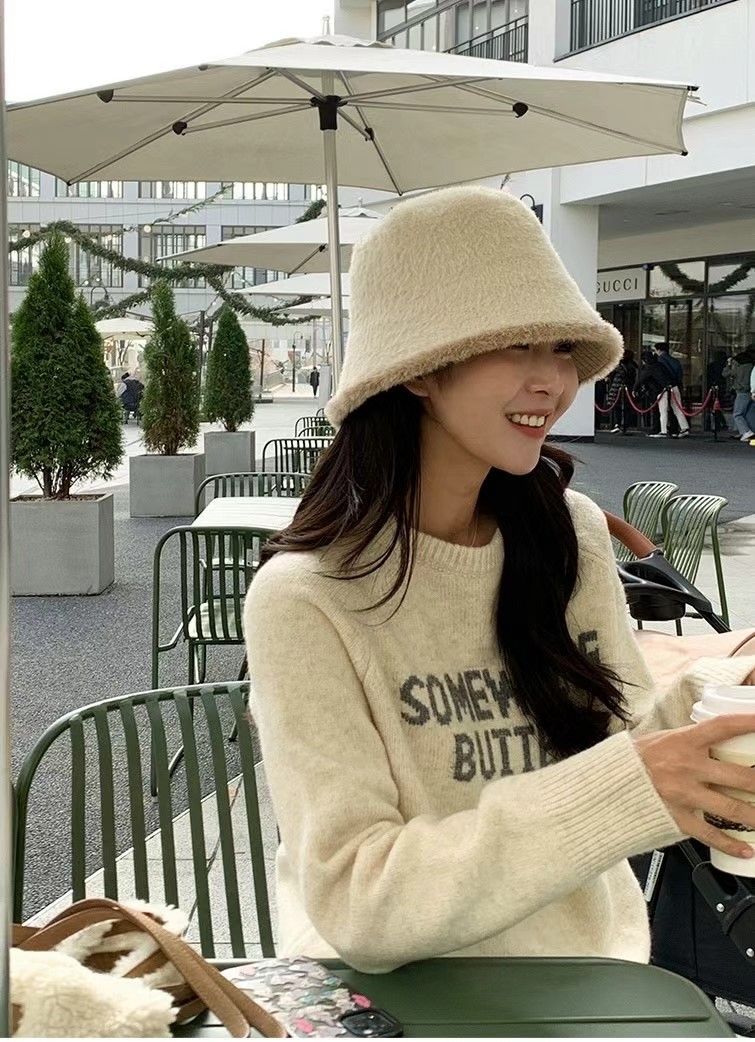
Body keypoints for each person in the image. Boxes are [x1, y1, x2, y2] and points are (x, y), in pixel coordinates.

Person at [243, 187, 755, 975]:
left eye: (561, 349)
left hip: (593, 973)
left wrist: (721, 698)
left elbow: (615, 748)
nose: (553, 381)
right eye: (515, 346)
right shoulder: (306, 598)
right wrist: (627, 783)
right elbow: (355, 900)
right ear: (419, 370)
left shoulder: (566, 533)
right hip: (402, 999)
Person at [652, 342, 690, 439]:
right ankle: (684, 428)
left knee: (663, 409)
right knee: (677, 408)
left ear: (659, 350)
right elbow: (680, 375)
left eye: (655, 350)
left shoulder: (658, 361)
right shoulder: (675, 361)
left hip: (663, 387)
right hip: (674, 385)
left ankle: (663, 430)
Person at [722, 347, 755, 442]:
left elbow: (725, 374)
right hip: (752, 391)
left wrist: (728, 364)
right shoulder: (752, 364)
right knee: (750, 414)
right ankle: (752, 431)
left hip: (742, 391)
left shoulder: (738, 363)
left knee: (738, 413)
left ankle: (746, 432)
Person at [633, 350, 667, 436]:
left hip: (659, 391)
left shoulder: (649, 367)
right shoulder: (660, 365)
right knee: (667, 410)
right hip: (665, 389)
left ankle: (661, 430)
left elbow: (641, 379)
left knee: (660, 411)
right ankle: (670, 429)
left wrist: (635, 389)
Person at [606, 349, 638, 434]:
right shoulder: (633, 366)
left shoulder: (618, 366)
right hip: (628, 388)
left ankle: (617, 424)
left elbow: (610, 374)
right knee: (626, 407)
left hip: (616, 388)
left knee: (617, 407)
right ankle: (624, 424)